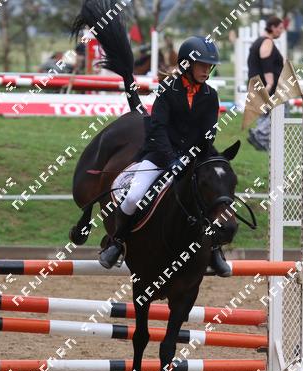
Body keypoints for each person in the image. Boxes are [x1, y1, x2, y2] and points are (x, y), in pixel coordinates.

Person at [98, 36, 232, 277]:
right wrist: (171, 159)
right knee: (133, 197)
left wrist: (195, 157)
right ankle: (117, 242)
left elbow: (208, 133)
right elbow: (158, 128)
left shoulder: (210, 95)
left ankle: (214, 250)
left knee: (211, 198)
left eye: (209, 66)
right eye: (201, 65)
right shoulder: (168, 91)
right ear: (187, 65)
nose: (206, 70)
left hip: (193, 158)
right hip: (159, 156)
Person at [246, 16, 285, 151]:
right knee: (282, 112)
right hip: (268, 87)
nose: (282, 31)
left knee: (265, 114)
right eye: (280, 28)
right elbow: (266, 62)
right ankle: (259, 135)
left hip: (258, 85)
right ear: (273, 27)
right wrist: (269, 84)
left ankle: (264, 142)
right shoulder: (267, 42)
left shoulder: (258, 41)